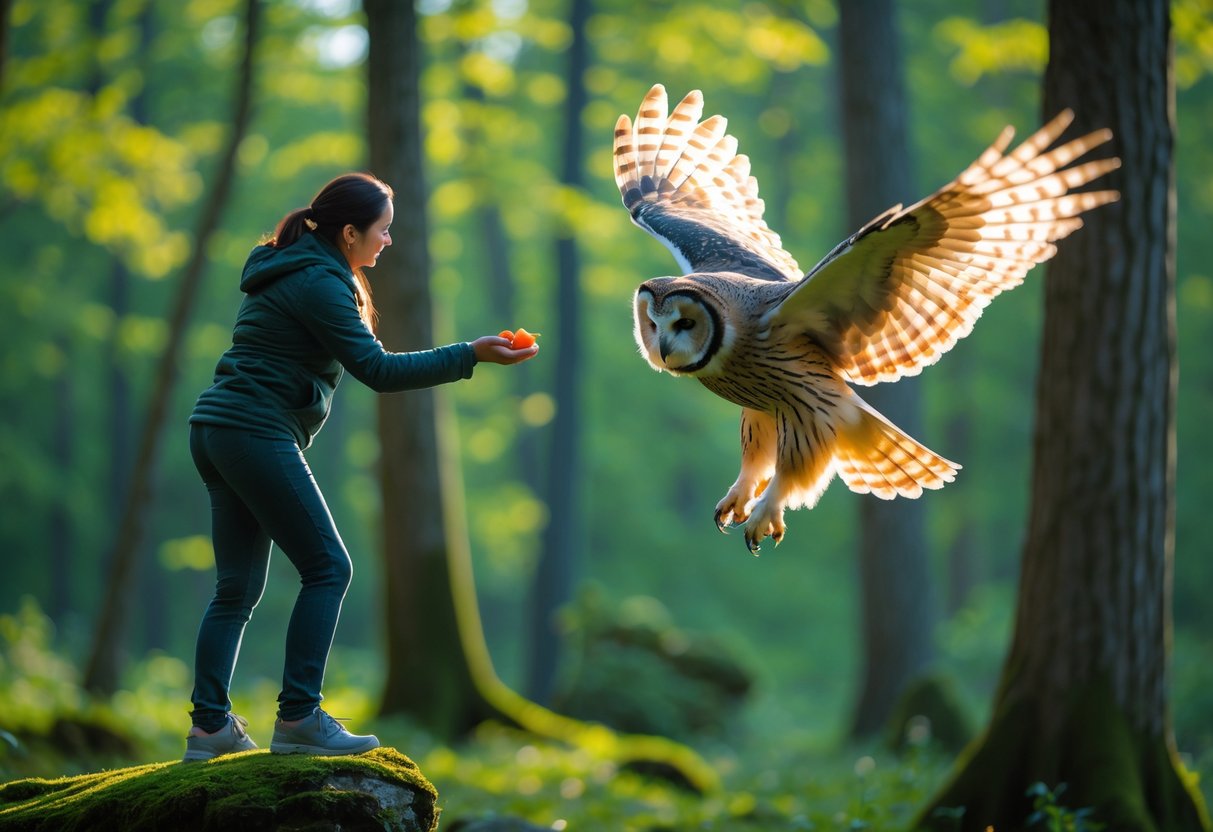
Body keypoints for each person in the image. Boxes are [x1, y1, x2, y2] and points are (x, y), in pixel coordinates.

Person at [182, 172, 537, 763]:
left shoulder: (287, 264)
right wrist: (469, 354)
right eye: (383, 230)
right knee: (328, 567)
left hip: (217, 429)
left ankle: (210, 728)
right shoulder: (320, 282)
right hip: (253, 430)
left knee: (236, 589)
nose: (388, 241)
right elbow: (378, 370)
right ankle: (298, 717)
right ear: (349, 233)